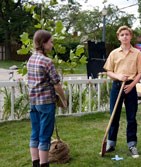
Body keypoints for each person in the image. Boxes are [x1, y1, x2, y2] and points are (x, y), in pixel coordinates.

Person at [103, 25, 141, 158]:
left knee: (131, 117)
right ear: (118, 37)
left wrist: (132, 84)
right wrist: (118, 77)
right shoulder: (114, 53)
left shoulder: (137, 53)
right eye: (122, 35)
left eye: (127, 34)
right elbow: (109, 71)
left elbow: (140, 72)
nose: (125, 37)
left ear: (131, 36)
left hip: (130, 87)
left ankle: (132, 144)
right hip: (117, 86)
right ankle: (111, 143)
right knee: (114, 115)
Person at [27, 30, 67, 167]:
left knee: (35, 133)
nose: (52, 44)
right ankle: (44, 164)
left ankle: (35, 163)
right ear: (43, 43)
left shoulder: (31, 59)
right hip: (46, 103)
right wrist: (64, 98)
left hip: (33, 102)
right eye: (51, 42)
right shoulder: (47, 61)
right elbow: (56, 84)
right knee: (45, 135)